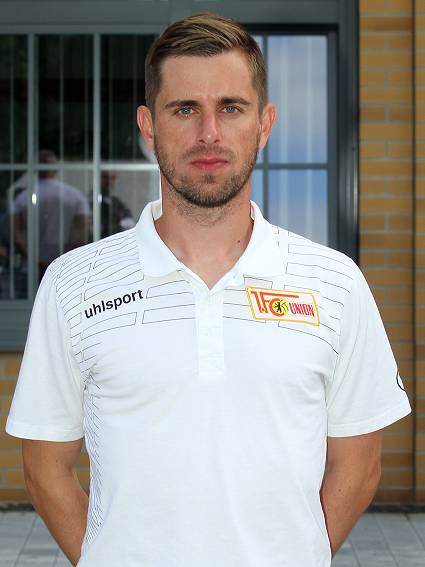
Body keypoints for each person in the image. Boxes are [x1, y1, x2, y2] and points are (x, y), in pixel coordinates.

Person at [5, 13, 411, 567]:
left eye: (232, 108)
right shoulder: (73, 283)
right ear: (148, 126)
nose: (209, 134)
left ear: (264, 124)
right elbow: (44, 467)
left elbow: (359, 466)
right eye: (185, 109)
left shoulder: (334, 283)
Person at [13, 149, 90, 280]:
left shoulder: (23, 198)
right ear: (56, 168)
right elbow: (82, 232)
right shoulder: (75, 196)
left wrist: (36, 260)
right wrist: (63, 257)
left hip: (31, 266)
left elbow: (16, 234)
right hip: (64, 267)